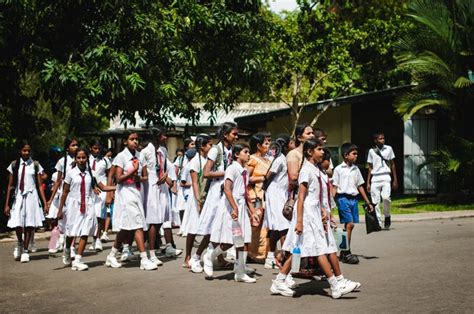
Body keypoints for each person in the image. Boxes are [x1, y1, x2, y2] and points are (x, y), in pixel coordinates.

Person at [272, 139, 359, 298]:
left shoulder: (315, 170)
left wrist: (324, 210)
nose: (322, 152)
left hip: (314, 213)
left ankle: (279, 280)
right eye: (319, 149)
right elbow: (301, 197)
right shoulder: (306, 170)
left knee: (299, 250)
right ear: (309, 152)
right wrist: (299, 221)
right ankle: (335, 284)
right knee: (319, 249)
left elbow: (319, 196)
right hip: (306, 214)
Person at [202, 144, 259, 283]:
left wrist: (252, 212)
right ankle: (210, 256)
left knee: (242, 240)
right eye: (245, 152)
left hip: (240, 206)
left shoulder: (244, 171)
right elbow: (227, 189)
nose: (248, 154)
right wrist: (234, 207)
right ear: (236, 155)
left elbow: (245, 194)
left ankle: (240, 272)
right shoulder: (232, 168)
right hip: (230, 207)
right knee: (230, 241)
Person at [105, 131, 157, 271]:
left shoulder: (140, 156)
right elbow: (118, 178)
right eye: (131, 139)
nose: (135, 141)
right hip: (125, 193)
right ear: (125, 141)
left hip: (137, 191)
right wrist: (132, 172)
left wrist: (138, 178)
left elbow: (145, 176)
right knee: (137, 224)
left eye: (136, 139)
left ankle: (112, 254)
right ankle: (144, 259)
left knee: (126, 227)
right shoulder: (121, 157)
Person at [57, 148, 115, 271]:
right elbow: (65, 192)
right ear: (75, 159)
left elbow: (102, 187)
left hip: (88, 205)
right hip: (74, 205)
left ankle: (77, 259)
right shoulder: (71, 173)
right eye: (79, 158)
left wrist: (117, 187)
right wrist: (60, 209)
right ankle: (67, 250)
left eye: (83, 157)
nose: (81, 160)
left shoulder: (91, 172)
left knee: (85, 231)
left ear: (86, 159)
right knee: (71, 233)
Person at [193, 122, 238, 271]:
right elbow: (206, 173)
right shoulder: (215, 150)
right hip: (215, 193)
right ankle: (196, 257)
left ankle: (219, 258)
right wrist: (227, 173)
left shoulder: (231, 150)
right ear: (225, 135)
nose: (236, 137)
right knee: (211, 227)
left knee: (223, 227)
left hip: (226, 191)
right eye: (234, 134)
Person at [3, 140, 47, 263]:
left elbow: (39, 185)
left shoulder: (35, 164)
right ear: (20, 151)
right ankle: (20, 242)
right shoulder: (14, 164)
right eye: (24, 150)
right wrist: (7, 204)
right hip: (18, 196)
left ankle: (26, 251)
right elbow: (10, 185)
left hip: (31, 196)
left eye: (28, 150)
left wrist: (44, 202)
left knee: (29, 224)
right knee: (17, 222)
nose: (26, 152)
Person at [332, 143, 373, 264]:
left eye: (356, 154)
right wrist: (330, 202)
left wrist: (368, 202)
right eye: (353, 154)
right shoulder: (338, 169)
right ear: (346, 155)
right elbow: (335, 186)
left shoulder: (356, 169)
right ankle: (346, 251)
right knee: (349, 224)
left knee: (350, 226)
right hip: (342, 198)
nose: (356, 156)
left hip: (353, 200)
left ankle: (344, 251)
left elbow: (360, 186)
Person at [46, 138, 78, 258]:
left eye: (76, 145)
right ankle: (54, 244)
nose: (75, 147)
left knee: (74, 221)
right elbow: (58, 182)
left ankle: (71, 248)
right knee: (60, 222)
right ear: (67, 148)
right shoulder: (62, 162)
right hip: (63, 195)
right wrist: (50, 199)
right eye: (73, 145)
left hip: (76, 195)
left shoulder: (80, 160)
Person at [263, 134, 291, 269]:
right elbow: (268, 176)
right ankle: (286, 259)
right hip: (275, 194)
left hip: (280, 193)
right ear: (285, 146)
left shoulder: (282, 158)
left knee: (276, 227)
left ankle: (270, 258)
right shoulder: (280, 159)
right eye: (290, 143)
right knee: (283, 226)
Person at [184, 134, 212, 270]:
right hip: (197, 197)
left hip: (206, 195)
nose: (211, 147)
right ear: (202, 146)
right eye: (209, 145)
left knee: (209, 228)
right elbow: (194, 182)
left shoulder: (208, 160)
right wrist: (198, 200)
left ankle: (216, 257)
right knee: (193, 227)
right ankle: (188, 256)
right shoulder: (195, 161)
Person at [246, 133, 272, 262]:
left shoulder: (268, 159)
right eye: (266, 143)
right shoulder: (252, 159)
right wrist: (263, 178)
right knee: (255, 224)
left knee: (265, 225)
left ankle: (262, 252)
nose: (268, 145)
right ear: (258, 145)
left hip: (267, 195)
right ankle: (250, 252)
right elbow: (246, 178)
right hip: (256, 195)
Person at [366, 132, 398, 229]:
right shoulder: (371, 151)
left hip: (386, 176)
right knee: (375, 202)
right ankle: (378, 223)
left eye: (383, 138)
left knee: (386, 198)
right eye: (380, 139)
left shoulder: (389, 149)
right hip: (375, 178)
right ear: (375, 140)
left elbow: (392, 164)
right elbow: (370, 167)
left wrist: (395, 179)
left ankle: (387, 215)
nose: (383, 140)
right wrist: (368, 182)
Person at [88, 139, 110, 252]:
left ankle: (97, 240)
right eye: (95, 148)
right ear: (90, 148)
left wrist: (110, 192)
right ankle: (92, 238)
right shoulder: (85, 159)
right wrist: (92, 186)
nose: (97, 150)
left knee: (99, 215)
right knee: (91, 214)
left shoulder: (105, 161)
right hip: (89, 189)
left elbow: (110, 175)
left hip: (102, 189)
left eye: (99, 148)